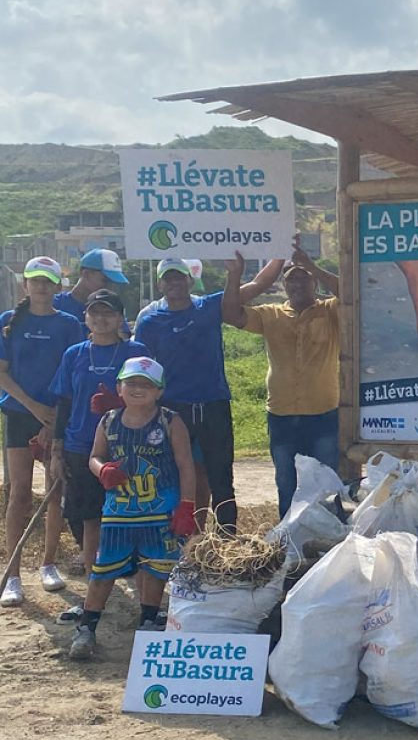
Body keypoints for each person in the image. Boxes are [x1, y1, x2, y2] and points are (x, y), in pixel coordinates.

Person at [68, 357, 196, 659]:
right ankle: (87, 627)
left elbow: (185, 463)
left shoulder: (169, 420)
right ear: (119, 387)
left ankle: (149, 619)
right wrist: (103, 471)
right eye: (132, 383)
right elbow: (94, 456)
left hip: (160, 508)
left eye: (147, 384)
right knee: (103, 569)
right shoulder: (109, 420)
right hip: (118, 512)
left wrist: (187, 506)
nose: (139, 389)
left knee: (156, 566)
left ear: (159, 391)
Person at [134, 258, 269, 533]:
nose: (174, 283)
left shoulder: (208, 307)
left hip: (213, 403)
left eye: (179, 277)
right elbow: (140, 370)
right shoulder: (149, 322)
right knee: (172, 474)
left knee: (220, 476)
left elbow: (257, 286)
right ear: (160, 283)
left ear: (189, 280)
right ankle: (172, 537)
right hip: (173, 409)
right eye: (168, 278)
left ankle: (226, 540)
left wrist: (276, 255)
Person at [222, 245, 341, 517]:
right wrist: (235, 275)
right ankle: (291, 543)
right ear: (283, 284)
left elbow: (354, 294)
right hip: (282, 415)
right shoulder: (270, 314)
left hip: (323, 414)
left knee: (327, 483)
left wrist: (313, 265)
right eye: (291, 278)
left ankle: (331, 543)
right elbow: (230, 313)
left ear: (314, 281)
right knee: (287, 483)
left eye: (304, 277)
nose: (298, 283)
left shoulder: (331, 310)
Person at [49, 290, 151, 582]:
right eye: (95, 313)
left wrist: (120, 404)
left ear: (120, 317)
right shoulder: (75, 353)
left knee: (128, 508)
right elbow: (64, 402)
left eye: (108, 313)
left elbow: (154, 395)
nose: (101, 319)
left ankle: (129, 564)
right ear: (86, 318)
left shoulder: (136, 351)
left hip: (129, 444)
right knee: (84, 512)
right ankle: (95, 570)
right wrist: (57, 450)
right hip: (80, 443)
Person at [0, 258, 84, 607]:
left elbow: (74, 373)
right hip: (21, 414)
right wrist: (35, 408)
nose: (41, 287)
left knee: (55, 490)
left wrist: (55, 418)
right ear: (25, 285)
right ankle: (13, 572)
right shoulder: (9, 322)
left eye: (48, 282)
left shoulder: (68, 324)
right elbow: (3, 373)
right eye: (35, 281)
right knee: (19, 492)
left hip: (57, 417)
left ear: (57, 287)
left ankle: (48, 564)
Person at [53, 249, 131, 334]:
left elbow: (123, 339)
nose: (109, 287)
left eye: (113, 283)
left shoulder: (113, 309)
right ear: (86, 274)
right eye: (105, 281)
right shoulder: (54, 305)